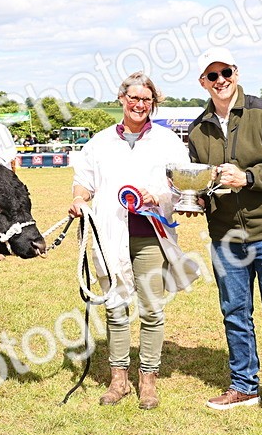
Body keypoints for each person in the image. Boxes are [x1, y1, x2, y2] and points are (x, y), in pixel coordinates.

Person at [185, 47, 262, 428]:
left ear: (236, 73)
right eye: (212, 76)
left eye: (226, 72)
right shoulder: (197, 128)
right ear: (202, 82)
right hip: (225, 235)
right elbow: (199, 179)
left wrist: (248, 177)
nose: (221, 81)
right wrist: (196, 199)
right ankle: (243, 384)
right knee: (235, 313)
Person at [68, 72, 191, 409]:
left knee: (151, 308)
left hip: (151, 235)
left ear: (154, 103)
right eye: (134, 98)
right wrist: (79, 199)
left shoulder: (168, 141)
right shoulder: (99, 142)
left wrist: (159, 194)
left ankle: (148, 381)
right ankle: (118, 380)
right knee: (115, 307)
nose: (140, 105)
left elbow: (182, 184)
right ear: (121, 99)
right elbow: (84, 182)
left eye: (146, 100)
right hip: (109, 235)